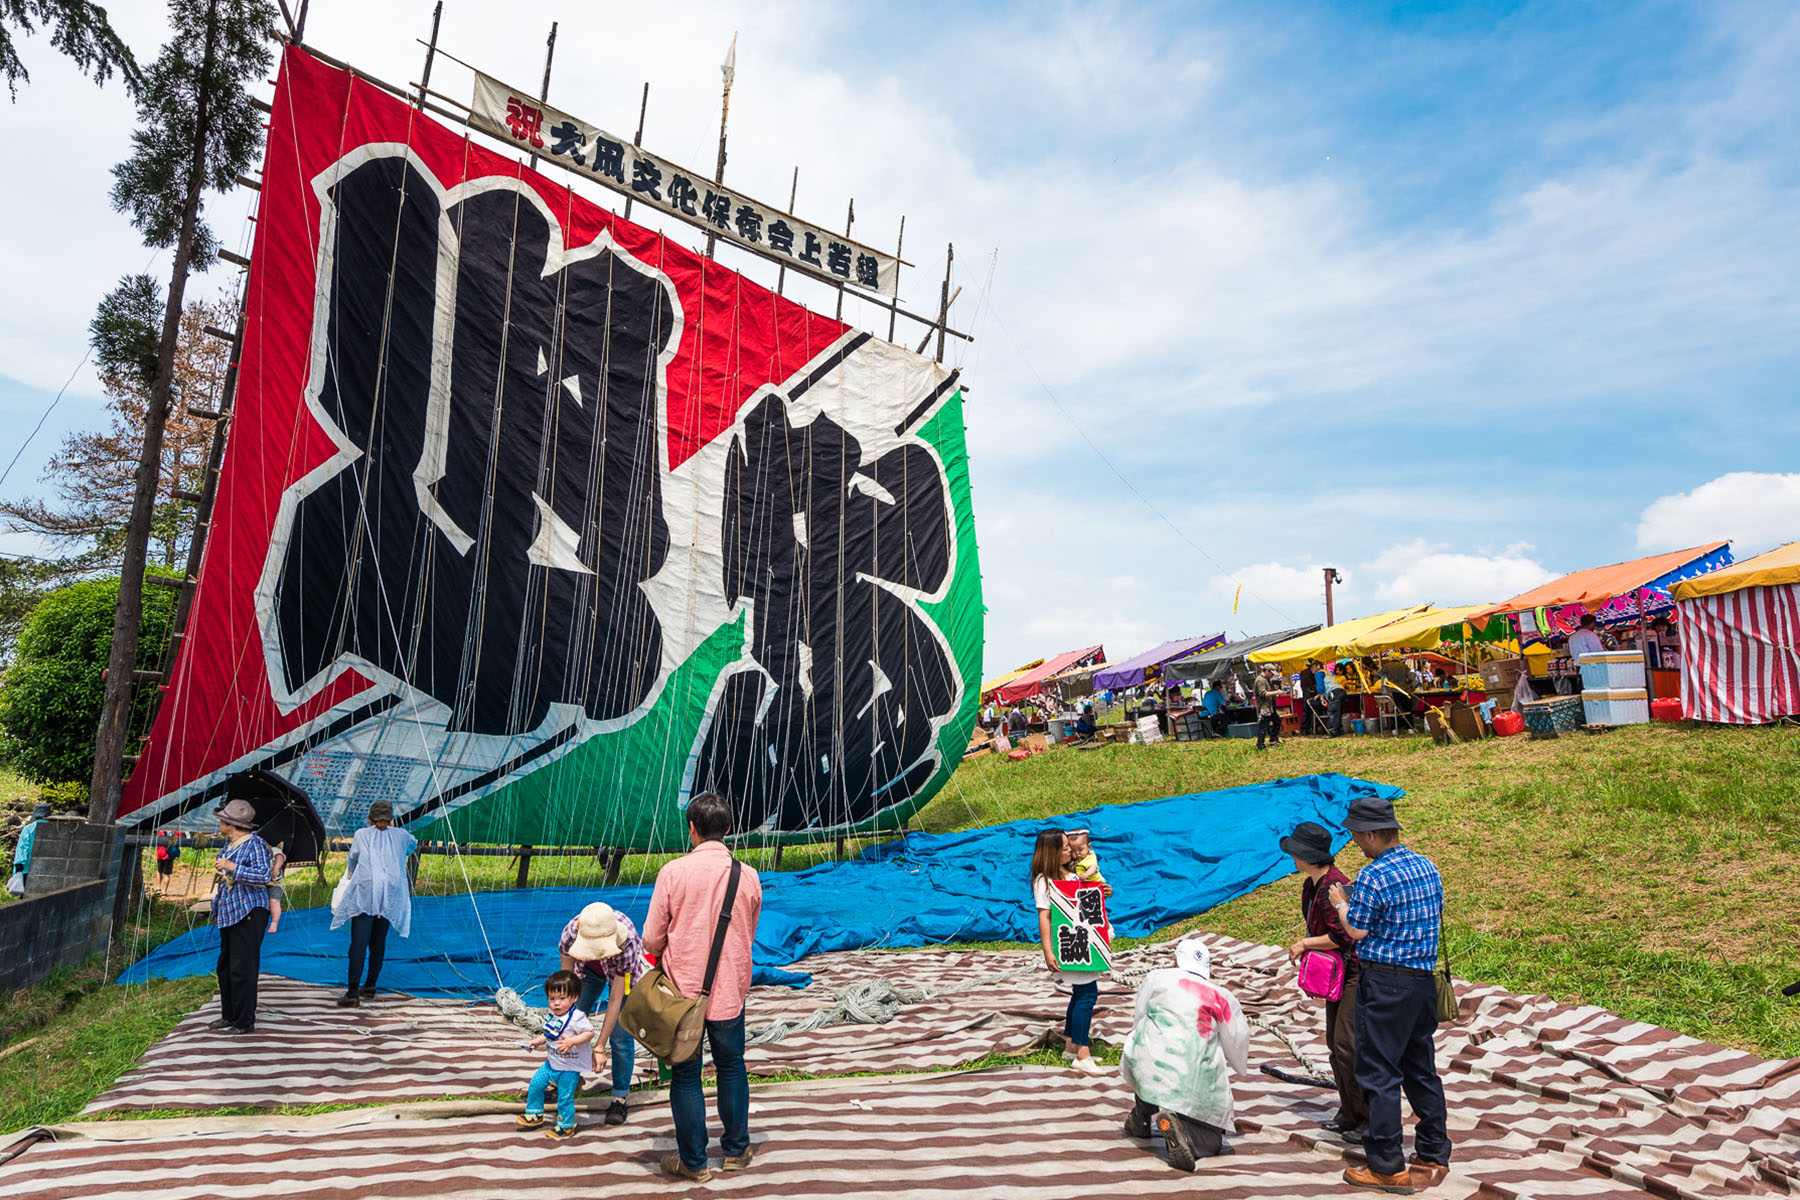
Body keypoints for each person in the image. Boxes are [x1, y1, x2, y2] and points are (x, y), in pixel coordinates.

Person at [1326, 796, 1451, 1193]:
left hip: (1384, 983)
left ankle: (1385, 1164)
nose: (1357, 844)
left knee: (1378, 1072)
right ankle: (1433, 1151)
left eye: (1358, 836)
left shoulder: (1373, 876)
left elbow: (1357, 931)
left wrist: (1341, 904)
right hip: (1422, 982)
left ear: (1373, 834)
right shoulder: (1426, 865)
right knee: (1420, 1066)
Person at [643, 792, 763, 1183]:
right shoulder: (747, 875)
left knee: (686, 1075)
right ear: (728, 830)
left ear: (691, 829)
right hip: (730, 989)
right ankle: (735, 1150)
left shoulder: (673, 872)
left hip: (681, 996)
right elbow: (749, 928)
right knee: (731, 1066)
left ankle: (693, 1163)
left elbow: (651, 940)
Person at [1120, 937, 1248, 1170]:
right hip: (1190, 1074)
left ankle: (1141, 1117)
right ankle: (1186, 1134)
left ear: (1175, 959)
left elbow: (1139, 1017)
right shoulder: (1220, 995)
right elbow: (1236, 1040)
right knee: (1213, 1140)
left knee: (1149, 1053)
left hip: (1148, 1064)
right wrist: (1240, 1066)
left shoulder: (1156, 977)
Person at [1281, 821, 1366, 1143]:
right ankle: (1349, 1113)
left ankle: (1366, 1118)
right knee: (1335, 1045)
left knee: (1348, 1046)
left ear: (1308, 855)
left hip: (1353, 973)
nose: (1293, 858)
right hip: (1335, 974)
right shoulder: (1310, 884)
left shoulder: (1336, 886)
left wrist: (1305, 945)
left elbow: (1344, 935)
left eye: (1296, 853)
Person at [558, 900, 645, 1125]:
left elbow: (615, 999)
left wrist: (599, 1046)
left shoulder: (627, 941)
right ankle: (569, 1081)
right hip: (588, 973)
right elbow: (567, 987)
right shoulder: (570, 934)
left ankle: (619, 1097)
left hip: (620, 974)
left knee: (619, 1034)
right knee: (573, 1019)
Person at [1031, 829, 1107, 1077]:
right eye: (1064, 847)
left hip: (1084, 939)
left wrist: (1104, 891)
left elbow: (1086, 897)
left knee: (1081, 992)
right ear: (1052, 852)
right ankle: (1082, 1055)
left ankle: (1071, 1045)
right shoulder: (1044, 880)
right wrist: (1047, 951)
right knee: (1087, 994)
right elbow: (1044, 916)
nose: (1070, 851)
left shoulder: (1072, 871)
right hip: (1069, 943)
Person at [331, 800, 418, 1007]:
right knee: (379, 941)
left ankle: (352, 993)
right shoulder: (401, 835)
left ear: (369, 819)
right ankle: (370, 986)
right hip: (390, 892)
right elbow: (412, 845)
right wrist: (395, 831)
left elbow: (353, 859)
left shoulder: (362, 834)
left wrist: (351, 873)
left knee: (359, 942)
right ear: (392, 820)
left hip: (366, 892)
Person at [209, 798, 276, 1035]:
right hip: (230, 911)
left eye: (223, 819)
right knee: (226, 967)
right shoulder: (229, 846)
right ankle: (230, 1014)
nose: (219, 822)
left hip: (249, 911)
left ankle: (245, 1020)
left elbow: (263, 875)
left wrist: (232, 867)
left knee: (243, 967)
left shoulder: (254, 844)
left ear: (231, 823)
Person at [518, 969, 595, 1139]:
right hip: (552, 1064)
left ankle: (565, 1125)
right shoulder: (552, 1015)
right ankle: (535, 1114)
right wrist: (536, 1041)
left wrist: (572, 1041)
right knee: (536, 1084)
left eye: (562, 998)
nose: (556, 1003)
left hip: (569, 1067)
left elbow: (590, 1033)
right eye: (552, 999)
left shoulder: (577, 1017)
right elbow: (549, 1033)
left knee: (564, 1097)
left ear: (574, 997)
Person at [7, 802, 50, 896]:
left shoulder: (29, 828)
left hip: (27, 868)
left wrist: (19, 864)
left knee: (26, 894)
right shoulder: (52, 828)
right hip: (47, 868)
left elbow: (22, 847)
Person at [1252, 664, 1284, 749]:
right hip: (1264, 707)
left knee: (1277, 721)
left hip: (1269, 706)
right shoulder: (1260, 680)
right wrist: (1276, 692)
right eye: (1271, 673)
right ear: (1266, 671)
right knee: (1264, 726)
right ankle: (1260, 745)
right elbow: (1263, 693)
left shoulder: (1266, 679)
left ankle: (1273, 739)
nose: (1272, 675)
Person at [1321, 661, 1349, 737]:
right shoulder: (1330, 675)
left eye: (1339, 670)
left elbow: (1320, 686)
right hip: (1341, 692)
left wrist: (1321, 696)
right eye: (1336, 670)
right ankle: (1339, 730)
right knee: (1337, 712)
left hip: (1335, 693)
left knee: (1333, 712)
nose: (1337, 672)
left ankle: (1333, 732)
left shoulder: (1320, 673)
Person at [1300, 659, 1321, 735]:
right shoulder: (1310, 672)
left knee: (1306, 710)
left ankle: (1305, 728)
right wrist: (1314, 689)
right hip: (1310, 692)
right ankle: (1313, 727)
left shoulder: (1303, 672)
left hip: (1306, 692)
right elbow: (1313, 683)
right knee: (1313, 709)